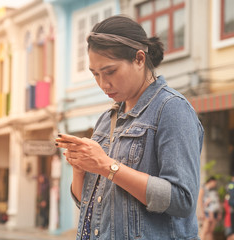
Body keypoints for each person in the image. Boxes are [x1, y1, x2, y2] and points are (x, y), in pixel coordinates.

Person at [55, 15, 204, 239]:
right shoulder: (107, 118)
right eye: (95, 74)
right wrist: (80, 168)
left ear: (139, 59)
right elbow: (86, 205)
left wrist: (107, 166)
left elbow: (182, 199)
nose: (103, 84)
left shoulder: (172, 109)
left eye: (110, 72)